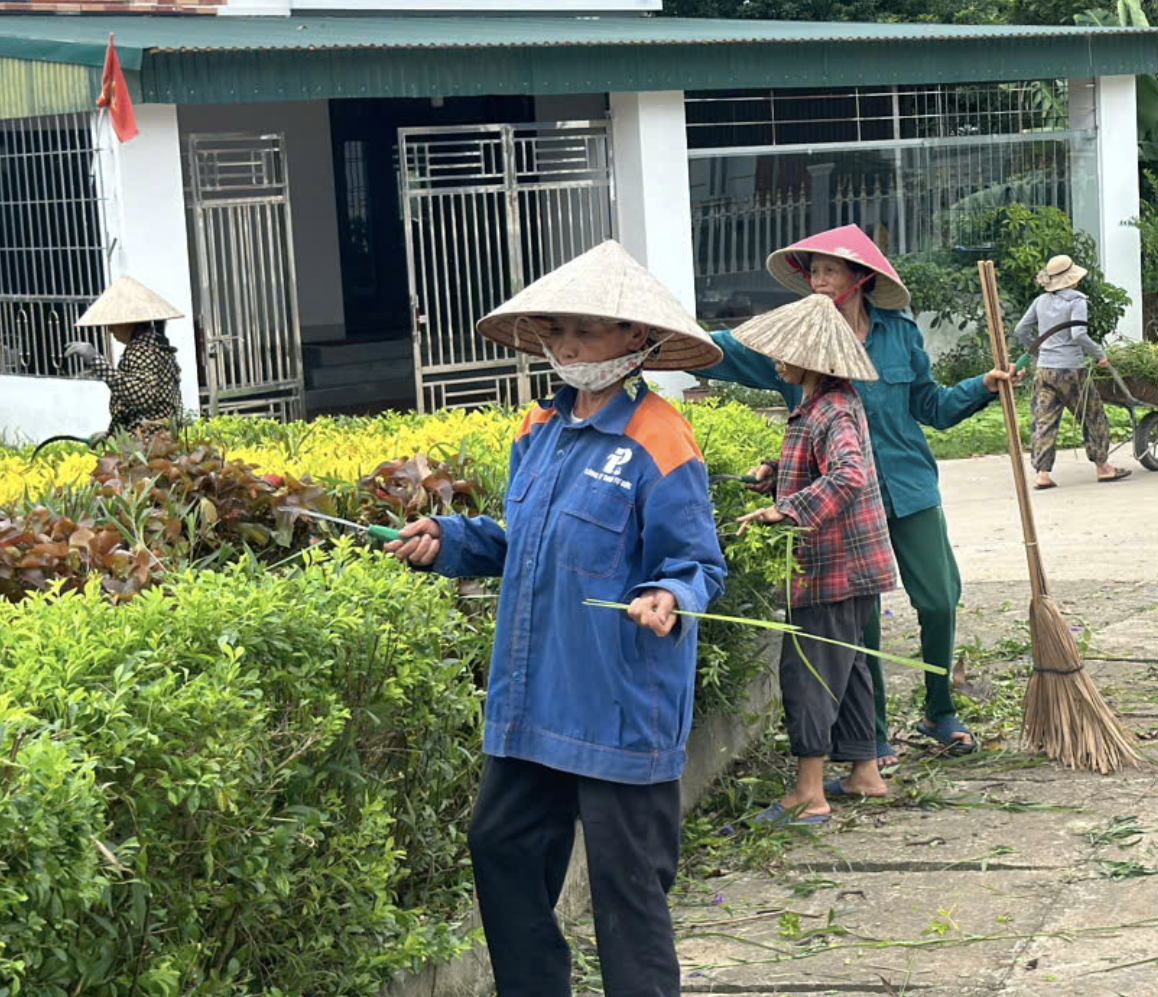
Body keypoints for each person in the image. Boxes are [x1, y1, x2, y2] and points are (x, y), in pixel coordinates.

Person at [387, 240, 727, 997]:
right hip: (535, 703)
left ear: (636, 340)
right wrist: (450, 539)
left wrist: (670, 596)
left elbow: (698, 562)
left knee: (626, 893)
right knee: (498, 844)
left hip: (617, 708)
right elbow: (522, 545)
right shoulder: (536, 428)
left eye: (587, 330)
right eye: (557, 330)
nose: (567, 346)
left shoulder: (661, 438)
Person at [699, 225, 1019, 766]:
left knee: (939, 598)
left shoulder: (899, 334)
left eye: (829, 271)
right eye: (813, 272)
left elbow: (932, 407)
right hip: (839, 500)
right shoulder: (794, 340)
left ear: (860, 278)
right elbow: (725, 351)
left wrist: (982, 387)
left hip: (908, 486)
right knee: (859, 621)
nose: (818, 282)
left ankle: (940, 711)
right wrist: (657, 340)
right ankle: (871, 737)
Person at [730, 293, 897, 824]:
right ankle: (864, 772)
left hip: (833, 566)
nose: (776, 358)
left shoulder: (830, 409)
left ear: (814, 360)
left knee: (808, 670)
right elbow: (816, 462)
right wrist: (773, 472)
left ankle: (809, 791)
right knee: (847, 665)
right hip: (854, 564)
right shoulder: (824, 405)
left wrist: (788, 510)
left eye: (785, 351)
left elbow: (846, 473)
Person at [1011, 255, 1131, 490]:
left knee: (1044, 421)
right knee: (1093, 415)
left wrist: (1040, 350)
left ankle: (1043, 474)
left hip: (1045, 370)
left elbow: (1020, 330)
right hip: (1071, 371)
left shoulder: (1040, 301)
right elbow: (1078, 335)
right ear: (1072, 280)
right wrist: (1100, 356)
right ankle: (1103, 467)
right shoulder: (1077, 301)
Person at [65, 277, 185, 445]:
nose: (110, 329)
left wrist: (96, 361)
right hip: (154, 440)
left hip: (149, 445)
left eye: (114, 322)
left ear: (130, 322)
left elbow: (142, 396)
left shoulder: (143, 351)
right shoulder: (155, 346)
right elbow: (138, 408)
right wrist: (111, 434)